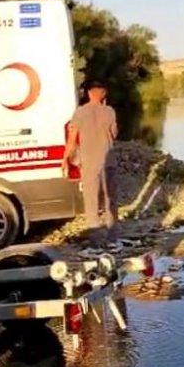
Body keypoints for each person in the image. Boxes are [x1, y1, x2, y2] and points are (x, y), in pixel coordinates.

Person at [63, 78, 119, 246]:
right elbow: (114, 133)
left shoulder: (79, 112)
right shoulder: (109, 111)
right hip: (108, 161)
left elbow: (72, 140)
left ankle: (95, 239)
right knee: (110, 199)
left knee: (91, 200)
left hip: (88, 162)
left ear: (88, 93)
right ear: (104, 93)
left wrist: (65, 159)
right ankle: (112, 237)